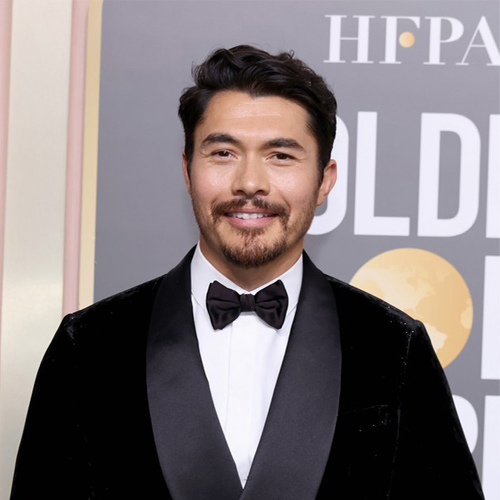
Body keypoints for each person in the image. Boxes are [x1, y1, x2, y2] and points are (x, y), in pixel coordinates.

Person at [11, 45, 484, 500]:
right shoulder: (89, 345)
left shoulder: (394, 348)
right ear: (187, 170)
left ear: (324, 181)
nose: (250, 183)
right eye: (223, 153)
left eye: (281, 156)